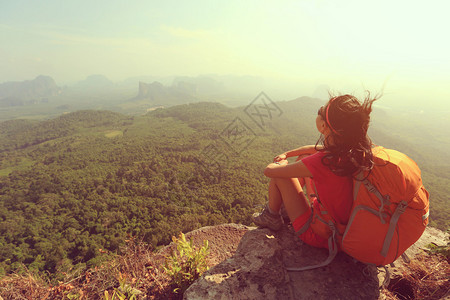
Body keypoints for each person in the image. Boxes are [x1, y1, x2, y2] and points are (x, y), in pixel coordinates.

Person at [252, 93, 379, 249]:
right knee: (304, 156)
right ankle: (285, 209)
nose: (319, 112)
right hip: (337, 227)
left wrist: (281, 164)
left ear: (325, 126)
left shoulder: (323, 161)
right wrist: (288, 154)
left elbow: (269, 172)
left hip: (317, 234)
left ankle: (272, 215)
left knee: (280, 175)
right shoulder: (351, 151)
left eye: (322, 111)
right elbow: (311, 149)